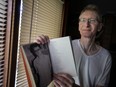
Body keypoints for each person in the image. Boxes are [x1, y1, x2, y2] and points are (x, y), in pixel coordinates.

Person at [36, 4, 112, 87]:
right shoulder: (65, 47)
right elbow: (42, 70)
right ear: (79, 25)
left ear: (99, 27)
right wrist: (40, 45)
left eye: (92, 20)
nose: (86, 24)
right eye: (83, 20)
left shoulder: (105, 57)